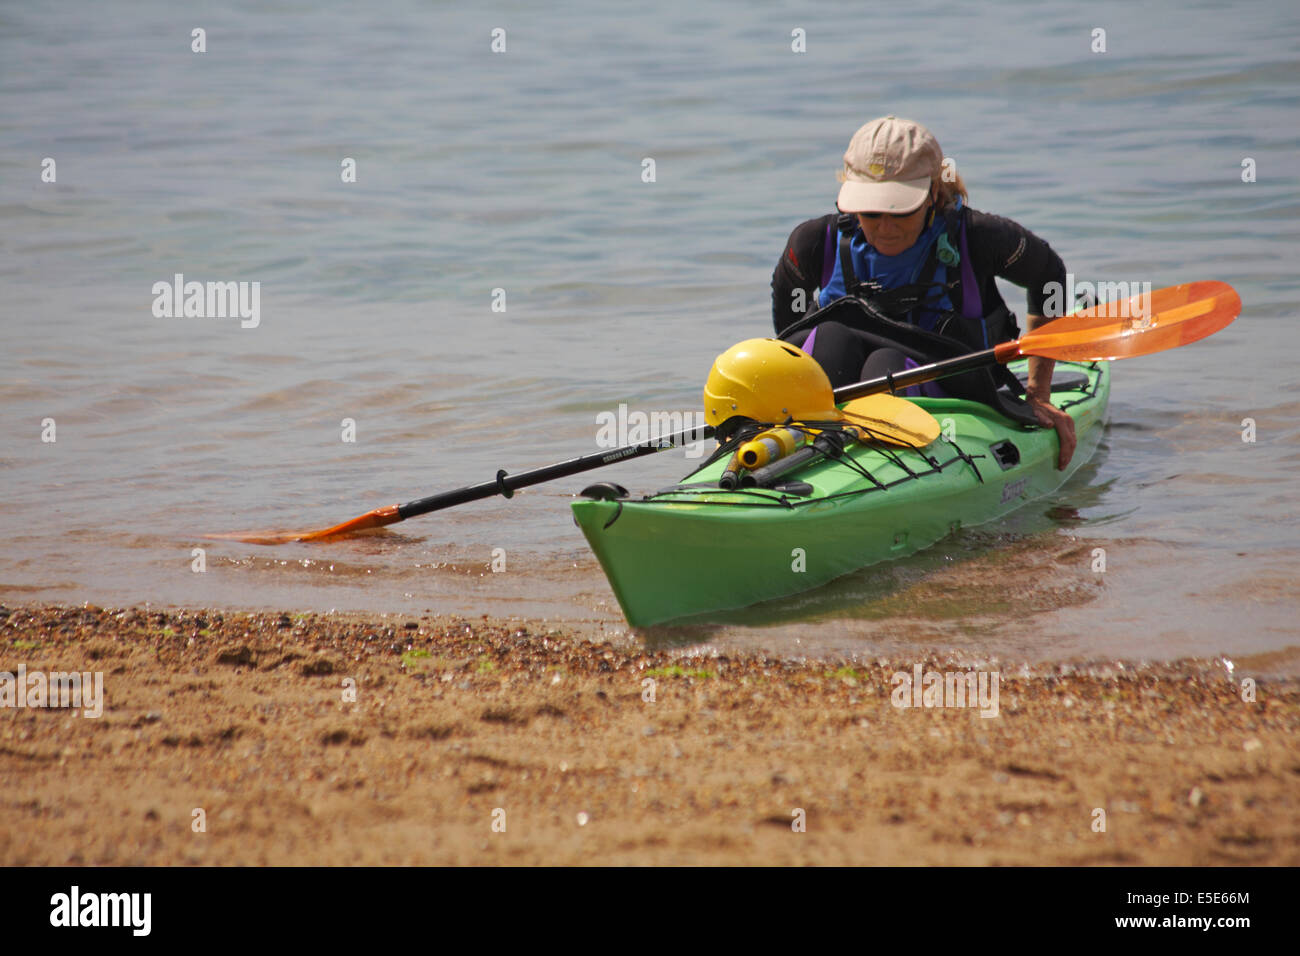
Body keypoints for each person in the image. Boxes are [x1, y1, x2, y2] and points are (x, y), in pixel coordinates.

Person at [771, 115, 1077, 469]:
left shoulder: (980, 237)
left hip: (946, 380)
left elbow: (1050, 277)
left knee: (885, 365)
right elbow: (789, 325)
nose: (885, 227)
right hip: (841, 385)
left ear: (933, 193)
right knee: (828, 337)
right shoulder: (813, 242)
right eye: (870, 212)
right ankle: (806, 435)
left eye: (900, 211)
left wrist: (1039, 393)